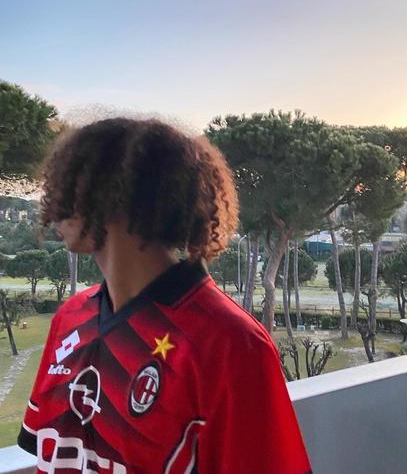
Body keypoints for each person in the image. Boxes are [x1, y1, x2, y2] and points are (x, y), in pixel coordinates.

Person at [18, 118, 312, 473]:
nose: (53, 207)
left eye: (69, 187)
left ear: (113, 197)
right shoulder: (71, 317)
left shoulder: (231, 344)